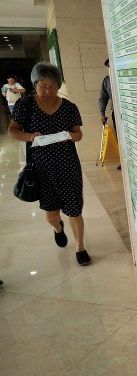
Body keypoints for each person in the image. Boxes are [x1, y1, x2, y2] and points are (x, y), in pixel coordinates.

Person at [8, 62, 92, 266]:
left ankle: (80, 248)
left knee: (74, 209)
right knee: (51, 213)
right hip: (41, 168)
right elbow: (12, 131)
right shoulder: (25, 105)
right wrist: (30, 137)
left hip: (68, 166)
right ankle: (58, 228)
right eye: (42, 86)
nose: (47, 91)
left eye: (52, 86)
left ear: (58, 86)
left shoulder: (69, 107)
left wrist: (69, 136)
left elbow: (78, 134)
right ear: (34, 85)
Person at [99, 58, 120, 170]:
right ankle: (124, 161)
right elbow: (103, 98)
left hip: (129, 113)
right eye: (109, 66)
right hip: (116, 113)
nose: (110, 68)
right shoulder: (107, 81)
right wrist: (102, 113)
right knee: (120, 138)